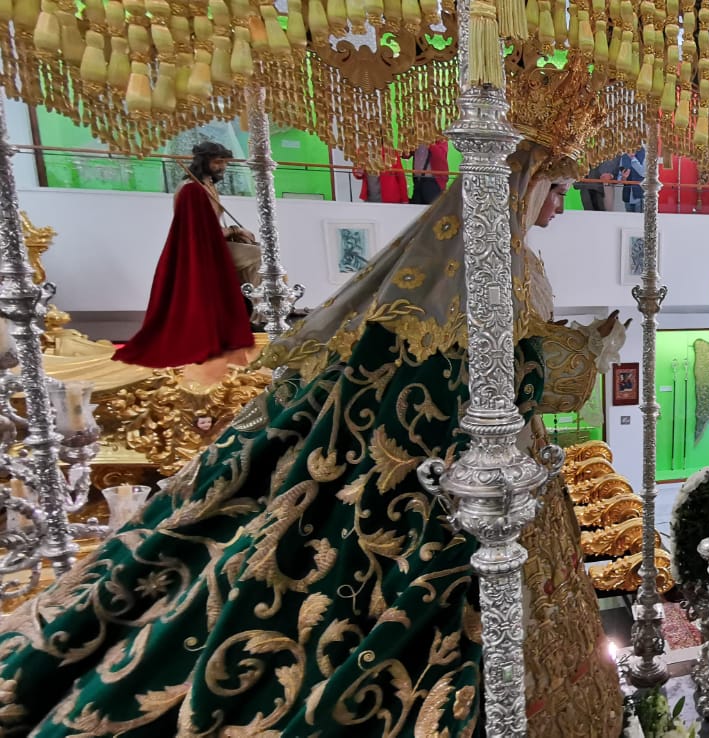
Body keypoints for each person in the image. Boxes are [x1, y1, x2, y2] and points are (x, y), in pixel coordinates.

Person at [1, 121, 628, 734]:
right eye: (555, 192)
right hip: (456, 475)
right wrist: (585, 356)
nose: (561, 209)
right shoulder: (483, 268)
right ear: (523, 187)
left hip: (511, 470)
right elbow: (469, 379)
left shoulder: (511, 262)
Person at [113, 141, 257, 369]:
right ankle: (259, 314)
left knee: (257, 254)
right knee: (257, 257)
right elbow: (202, 230)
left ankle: (246, 310)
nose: (222, 167)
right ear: (204, 162)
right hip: (203, 252)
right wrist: (236, 231)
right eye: (217, 162)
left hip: (216, 245)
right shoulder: (191, 189)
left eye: (224, 163)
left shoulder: (207, 184)